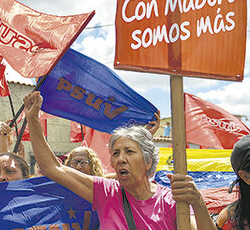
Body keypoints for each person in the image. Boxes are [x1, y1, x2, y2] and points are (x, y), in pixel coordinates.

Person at [23, 91, 215, 230]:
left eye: (129, 151)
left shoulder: (171, 201)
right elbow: (52, 167)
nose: (121, 159)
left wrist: (197, 202)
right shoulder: (106, 192)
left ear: (148, 161)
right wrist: (33, 120)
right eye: (115, 153)